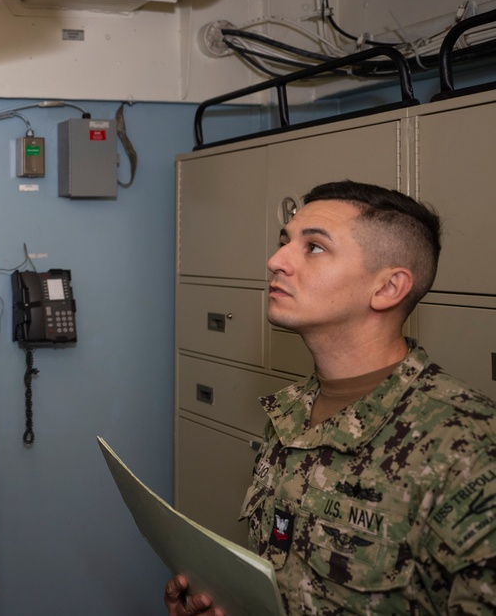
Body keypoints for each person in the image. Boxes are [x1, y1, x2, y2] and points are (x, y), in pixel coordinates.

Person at [166, 180, 496, 615]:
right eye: (284, 241)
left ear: (388, 288)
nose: (275, 260)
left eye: (314, 247)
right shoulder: (291, 413)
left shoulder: (467, 446)